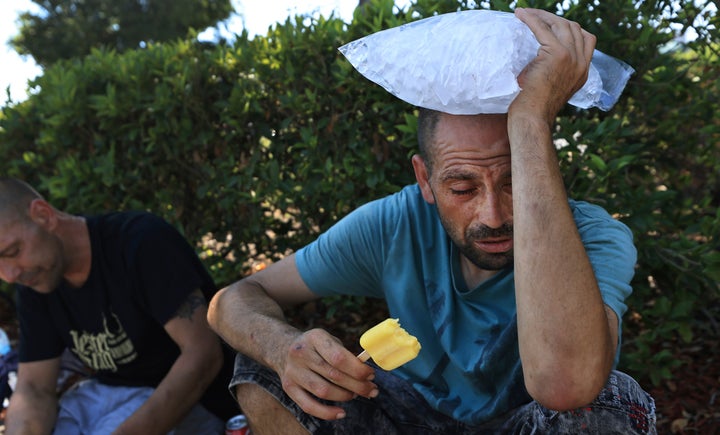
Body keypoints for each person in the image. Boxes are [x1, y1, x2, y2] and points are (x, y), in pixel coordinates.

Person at [207, 7, 656, 435]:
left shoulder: (596, 236)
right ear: (425, 179)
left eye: (514, 181)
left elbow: (567, 385)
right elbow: (235, 298)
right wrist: (283, 349)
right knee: (264, 362)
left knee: (609, 401)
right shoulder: (395, 223)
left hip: (531, 422)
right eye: (462, 188)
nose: (492, 215)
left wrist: (531, 120)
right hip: (415, 420)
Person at [0, 178, 237, 434]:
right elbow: (34, 388)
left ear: (43, 216)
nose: (9, 275)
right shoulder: (36, 279)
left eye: (12, 251)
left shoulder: (140, 243)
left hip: (187, 400)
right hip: (103, 396)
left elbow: (203, 355)